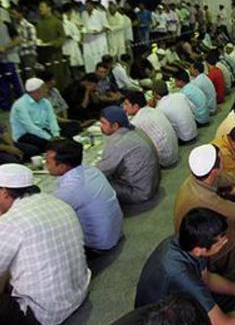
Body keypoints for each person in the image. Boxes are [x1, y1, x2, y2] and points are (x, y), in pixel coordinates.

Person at [135, 208, 235, 324]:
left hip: (181, 300)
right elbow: (221, 323)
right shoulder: (179, 273)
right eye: (219, 243)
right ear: (200, 249)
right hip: (164, 319)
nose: (224, 243)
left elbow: (207, 279)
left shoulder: (188, 242)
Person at [0, 163, 90, 324]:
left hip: (45, 314)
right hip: (78, 293)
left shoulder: (10, 222)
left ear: (4, 192)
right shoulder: (56, 201)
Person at [174, 144, 235, 275]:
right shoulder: (207, 199)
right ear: (214, 171)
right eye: (221, 158)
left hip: (194, 233)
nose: (224, 160)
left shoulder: (197, 178)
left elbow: (233, 176)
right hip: (201, 250)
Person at [45, 139, 123, 253]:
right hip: (115, 233)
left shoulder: (69, 191)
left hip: (97, 245)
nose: (46, 166)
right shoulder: (91, 170)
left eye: (47, 162)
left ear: (62, 166)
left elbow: (47, 218)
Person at [98, 105, 160, 204]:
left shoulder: (117, 143)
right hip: (153, 184)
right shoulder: (135, 130)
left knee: (96, 182)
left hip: (139, 193)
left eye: (103, 123)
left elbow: (100, 172)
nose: (100, 126)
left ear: (115, 126)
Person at [123, 91, 179, 168]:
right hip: (174, 153)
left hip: (165, 160)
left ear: (135, 106)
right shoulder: (153, 110)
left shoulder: (136, 121)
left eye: (126, 104)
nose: (124, 107)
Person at [10, 77, 60, 154]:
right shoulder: (20, 105)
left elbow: (52, 119)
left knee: (69, 130)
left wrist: (56, 134)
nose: (46, 90)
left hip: (42, 130)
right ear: (36, 91)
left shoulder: (45, 102)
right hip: (24, 134)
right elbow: (30, 127)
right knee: (46, 143)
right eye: (44, 88)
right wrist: (50, 138)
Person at [35, 1, 70, 89]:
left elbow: (62, 37)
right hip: (42, 54)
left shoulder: (56, 22)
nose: (40, 9)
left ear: (49, 8)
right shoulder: (39, 23)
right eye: (39, 7)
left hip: (55, 54)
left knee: (56, 76)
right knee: (44, 77)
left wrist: (53, 43)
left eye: (42, 7)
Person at [82, 0, 110, 73]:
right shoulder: (83, 14)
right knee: (88, 58)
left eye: (88, 5)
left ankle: (101, 73)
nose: (86, 7)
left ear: (92, 5)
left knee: (99, 58)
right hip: (88, 40)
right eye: (85, 6)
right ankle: (90, 74)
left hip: (98, 40)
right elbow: (83, 26)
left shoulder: (100, 14)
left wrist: (98, 32)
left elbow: (106, 27)